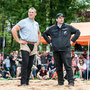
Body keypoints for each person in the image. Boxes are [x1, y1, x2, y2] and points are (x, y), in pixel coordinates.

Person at [43, 13, 80, 87]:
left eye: (62, 18)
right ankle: (60, 82)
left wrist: (72, 41)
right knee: (58, 67)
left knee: (68, 66)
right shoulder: (52, 28)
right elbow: (44, 34)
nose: (61, 19)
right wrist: (49, 42)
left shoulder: (68, 27)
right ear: (56, 19)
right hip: (56, 50)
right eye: (60, 18)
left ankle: (71, 82)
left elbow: (77, 32)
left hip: (66, 50)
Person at [11, 7, 41, 86]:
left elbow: (39, 33)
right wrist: (18, 40)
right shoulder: (23, 22)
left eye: (32, 12)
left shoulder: (36, 23)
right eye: (29, 12)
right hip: (25, 44)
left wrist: (38, 42)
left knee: (30, 64)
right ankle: (23, 82)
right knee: (25, 63)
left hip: (33, 45)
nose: (30, 13)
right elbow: (13, 29)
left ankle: (27, 82)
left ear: (35, 14)